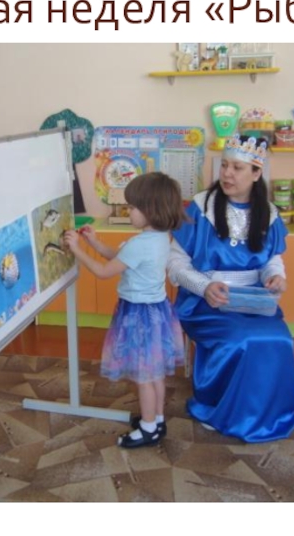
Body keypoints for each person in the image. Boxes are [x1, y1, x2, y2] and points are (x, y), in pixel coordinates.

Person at [167, 135, 294, 443]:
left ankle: (267, 414)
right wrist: (204, 287)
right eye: (224, 165)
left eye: (237, 168)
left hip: (253, 299)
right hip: (205, 302)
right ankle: (219, 406)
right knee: (241, 339)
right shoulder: (200, 208)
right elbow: (175, 264)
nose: (227, 174)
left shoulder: (268, 212)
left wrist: (275, 276)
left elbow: (272, 260)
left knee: (280, 338)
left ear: (256, 173)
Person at [63, 172, 187, 449]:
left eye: (132, 207)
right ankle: (157, 419)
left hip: (138, 315)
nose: (128, 212)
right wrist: (94, 243)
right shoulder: (160, 238)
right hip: (156, 313)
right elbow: (121, 259)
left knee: (143, 376)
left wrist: (77, 250)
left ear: (150, 210)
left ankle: (147, 428)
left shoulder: (140, 244)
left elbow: (103, 271)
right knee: (155, 373)